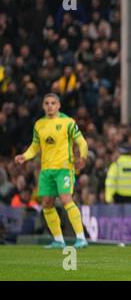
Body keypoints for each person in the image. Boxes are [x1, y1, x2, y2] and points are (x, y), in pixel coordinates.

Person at [15, 93, 89, 249]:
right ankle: (58, 240)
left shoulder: (68, 122)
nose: (50, 106)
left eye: (53, 103)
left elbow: (81, 142)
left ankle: (81, 238)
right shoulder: (39, 125)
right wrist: (25, 156)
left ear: (59, 105)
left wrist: (83, 157)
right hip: (46, 170)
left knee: (66, 199)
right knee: (47, 204)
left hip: (63, 169)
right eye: (47, 103)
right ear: (43, 106)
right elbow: (35, 146)